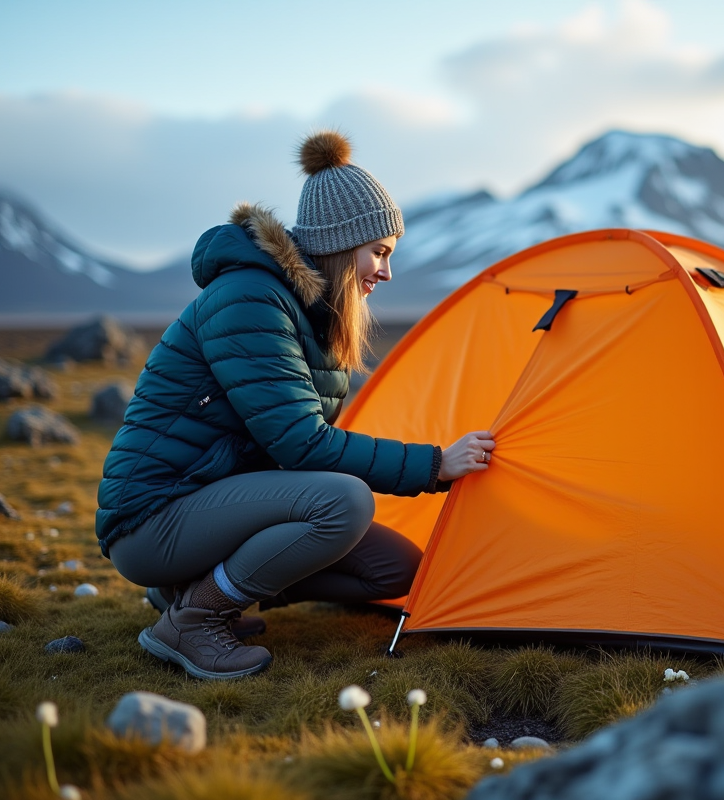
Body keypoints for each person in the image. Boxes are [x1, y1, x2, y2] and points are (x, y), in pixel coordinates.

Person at [95, 131, 494, 680]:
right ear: (341, 242)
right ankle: (195, 619)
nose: (386, 271)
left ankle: (197, 593)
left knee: (393, 570)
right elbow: (300, 441)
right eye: (378, 252)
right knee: (345, 503)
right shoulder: (250, 298)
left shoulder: (310, 314)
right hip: (153, 517)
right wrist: (433, 465)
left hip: (205, 505)